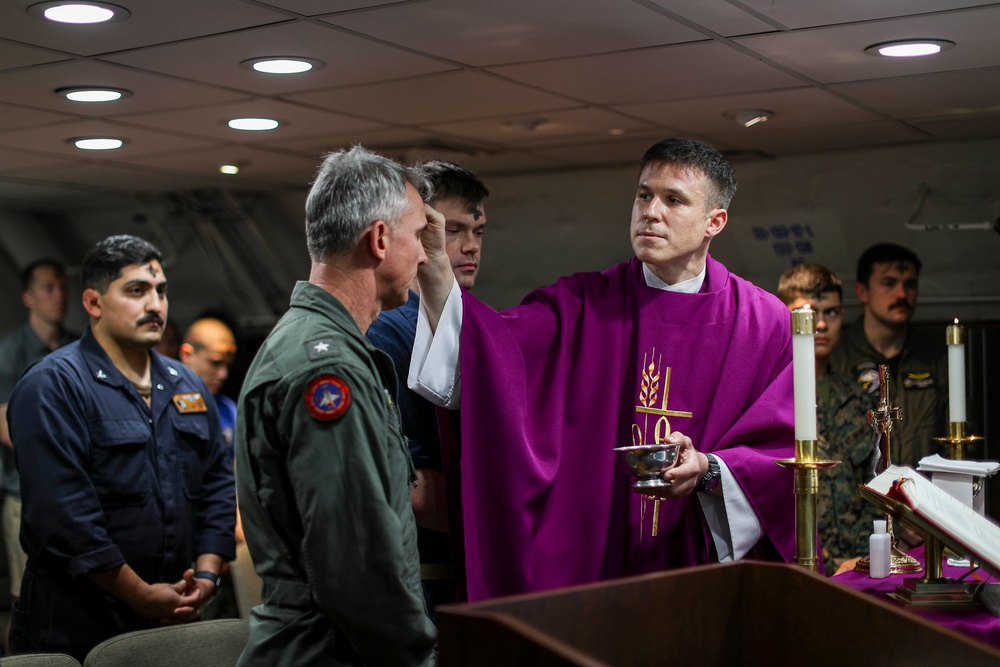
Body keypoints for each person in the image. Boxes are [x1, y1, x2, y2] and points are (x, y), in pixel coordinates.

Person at [410, 137, 796, 601]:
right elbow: (485, 354)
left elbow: (782, 455)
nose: (650, 211)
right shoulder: (580, 305)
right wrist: (434, 266)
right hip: (598, 569)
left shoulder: (765, 322)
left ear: (715, 221)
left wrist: (710, 470)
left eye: (673, 199)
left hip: (703, 571)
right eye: (643, 194)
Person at [235, 145, 437, 667]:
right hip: (332, 652)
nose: (423, 255)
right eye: (417, 236)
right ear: (378, 239)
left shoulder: (312, 344)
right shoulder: (329, 369)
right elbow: (357, 566)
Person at [6, 235, 236, 662]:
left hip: (176, 608)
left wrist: (206, 576)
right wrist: (140, 595)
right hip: (79, 623)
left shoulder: (187, 384)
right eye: (137, 291)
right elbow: (65, 517)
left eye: (161, 291)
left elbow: (218, 488)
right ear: (93, 303)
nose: (155, 305)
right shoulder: (53, 386)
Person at [367, 160, 488, 611]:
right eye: (453, 230)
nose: (471, 246)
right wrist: (494, 509)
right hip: (422, 576)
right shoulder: (389, 331)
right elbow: (403, 478)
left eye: (479, 232)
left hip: (459, 570)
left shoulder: (476, 323)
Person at [777, 263, 881, 576]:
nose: (820, 324)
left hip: (857, 568)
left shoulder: (856, 399)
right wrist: (827, 563)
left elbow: (871, 484)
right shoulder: (771, 398)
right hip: (795, 566)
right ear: (784, 314)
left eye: (831, 313)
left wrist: (864, 559)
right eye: (808, 312)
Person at [0, 259, 77, 653]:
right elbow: (7, 426)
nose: (59, 295)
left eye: (63, 286)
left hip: (73, 493)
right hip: (26, 495)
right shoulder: (10, 353)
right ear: (29, 297)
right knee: (24, 595)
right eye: (49, 288)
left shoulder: (76, 345)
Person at [831, 243, 948, 466]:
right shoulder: (837, 357)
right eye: (889, 283)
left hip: (923, 496)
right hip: (858, 496)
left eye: (910, 284)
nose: (902, 294)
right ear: (862, 291)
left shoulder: (936, 358)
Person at [180, 317, 238, 461]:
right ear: (187, 355)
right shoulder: (163, 402)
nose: (223, 374)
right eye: (215, 363)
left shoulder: (228, 409)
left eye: (227, 365)